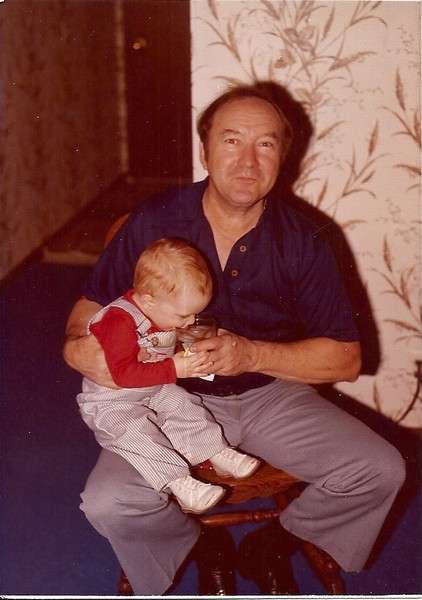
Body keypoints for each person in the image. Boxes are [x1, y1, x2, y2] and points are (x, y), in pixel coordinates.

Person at [63, 82, 406, 595]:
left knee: (380, 470)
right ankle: (198, 543)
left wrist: (250, 353)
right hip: (164, 397)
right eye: (231, 141)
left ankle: (275, 542)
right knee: (110, 502)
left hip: (271, 395)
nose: (248, 161)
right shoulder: (155, 219)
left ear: (284, 158)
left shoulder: (308, 239)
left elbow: (346, 359)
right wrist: (76, 346)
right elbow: (89, 308)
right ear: (204, 151)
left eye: (265, 143)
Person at [77, 237, 259, 514]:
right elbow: (122, 375)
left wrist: (189, 356)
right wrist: (175, 368)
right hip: (111, 400)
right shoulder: (119, 321)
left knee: (182, 403)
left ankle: (214, 451)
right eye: (183, 315)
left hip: (151, 387)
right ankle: (179, 482)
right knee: (136, 432)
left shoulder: (161, 311)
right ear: (148, 300)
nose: (189, 321)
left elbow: (159, 351)